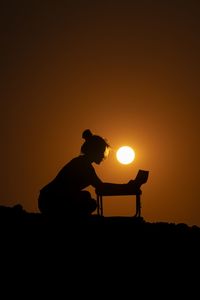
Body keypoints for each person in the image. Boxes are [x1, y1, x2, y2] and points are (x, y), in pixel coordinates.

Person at [38, 129, 140, 217]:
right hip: (50, 200)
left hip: (48, 198)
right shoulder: (83, 165)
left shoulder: (82, 162)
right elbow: (101, 187)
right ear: (95, 151)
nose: (103, 155)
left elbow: (100, 186)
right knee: (89, 203)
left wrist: (125, 187)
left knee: (86, 198)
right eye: (102, 151)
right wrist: (125, 187)